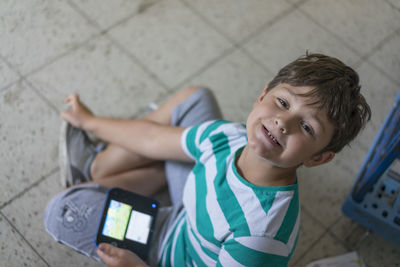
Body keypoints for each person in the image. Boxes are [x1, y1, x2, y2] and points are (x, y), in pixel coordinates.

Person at [44, 53, 371, 267]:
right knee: (195, 98)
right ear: (262, 96)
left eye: (306, 127)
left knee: (62, 212)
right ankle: (99, 168)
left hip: (167, 252)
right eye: (282, 102)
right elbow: (151, 138)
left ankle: (111, 171)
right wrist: (89, 121)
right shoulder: (229, 136)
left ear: (318, 158)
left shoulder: (261, 237)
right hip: (190, 211)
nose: (282, 123)